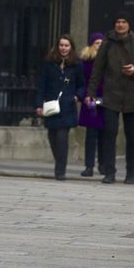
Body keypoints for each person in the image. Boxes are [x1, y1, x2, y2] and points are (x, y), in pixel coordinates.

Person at [85, 10, 134, 184]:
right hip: (111, 94)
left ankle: (130, 172)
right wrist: (91, 93)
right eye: (118, 21)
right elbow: (97, 70)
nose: (120, 24)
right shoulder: (107, 43)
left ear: (129, 24)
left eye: (124, 21)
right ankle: (110, 172)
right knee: (109, 133)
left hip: (132, 94)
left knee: (131, 135)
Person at [36, 34, 86, 180]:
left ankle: (60, 170)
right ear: (58, 47)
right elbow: (42, 86)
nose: (64, 48)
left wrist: (77, 96)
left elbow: (82, 85)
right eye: (61, 45)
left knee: (62, 137)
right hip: (51, 105)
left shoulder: (76, 64)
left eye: (66, 45)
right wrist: (39, 104)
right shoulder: (49, 63)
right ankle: (59, 162)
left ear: (71, 47)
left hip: (68, 106)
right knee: (52, 136)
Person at [77, 32, 106, 177]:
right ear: (91, 45)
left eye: (102, 43)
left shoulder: (108, 62)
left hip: (104, 101)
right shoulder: (86, 62)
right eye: (97, 43)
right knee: (91, 135)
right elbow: (81, 82)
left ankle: (103, 164)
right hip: (90, 102)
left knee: (103, 135)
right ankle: (89, 166)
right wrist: (85, 97)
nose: (99, 46)